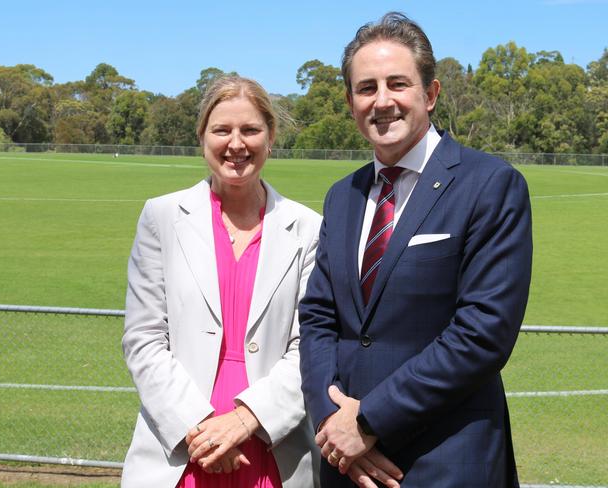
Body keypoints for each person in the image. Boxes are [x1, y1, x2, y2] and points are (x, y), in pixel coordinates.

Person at [299, 12, 532, 488]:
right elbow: (319, 316)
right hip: (346, 465)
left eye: (397, 83)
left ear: (430, 93)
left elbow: (482, 333)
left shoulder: (490, 185)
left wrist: (369, 420)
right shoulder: (341, 196)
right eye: (366, 88)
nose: (382, 101)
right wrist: (330, 418)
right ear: (350, 102)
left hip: (446, 460)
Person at [121, 75, 322, 488]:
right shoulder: (161, 217)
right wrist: (202, 429)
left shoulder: (308, 229)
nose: (236, 144)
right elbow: (143, 338)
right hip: (181, 448)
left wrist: (245, 420)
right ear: (202, 137)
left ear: (270, 137)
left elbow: (312, 347)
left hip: (270, 447)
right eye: (222, 130)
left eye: (250, 130)